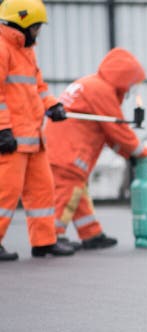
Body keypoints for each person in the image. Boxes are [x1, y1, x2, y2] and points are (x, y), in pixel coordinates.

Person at [44, 47, 147, 250]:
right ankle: (52, 237)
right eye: (132, 83)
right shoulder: (100, 90)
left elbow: (108, 133)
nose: (131, 90)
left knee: (78, 191)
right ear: (124, 78)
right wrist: (140, 152)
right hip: (70, 152)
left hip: (61, 147)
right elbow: (117, 129)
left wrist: (127, 153)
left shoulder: (91, 84)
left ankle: (91, 233)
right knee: (66, 193)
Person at [0, 0, 74, 261]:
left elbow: (38, 87)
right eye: (36, 27)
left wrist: (53, 106)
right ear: (22, 23)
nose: (38, 32)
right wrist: (2, 130)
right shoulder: (2, 48)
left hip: (32, 137)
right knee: (5, 195)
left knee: (43, 191)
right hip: (11, 139)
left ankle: (44, 242)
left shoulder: (26, 51)